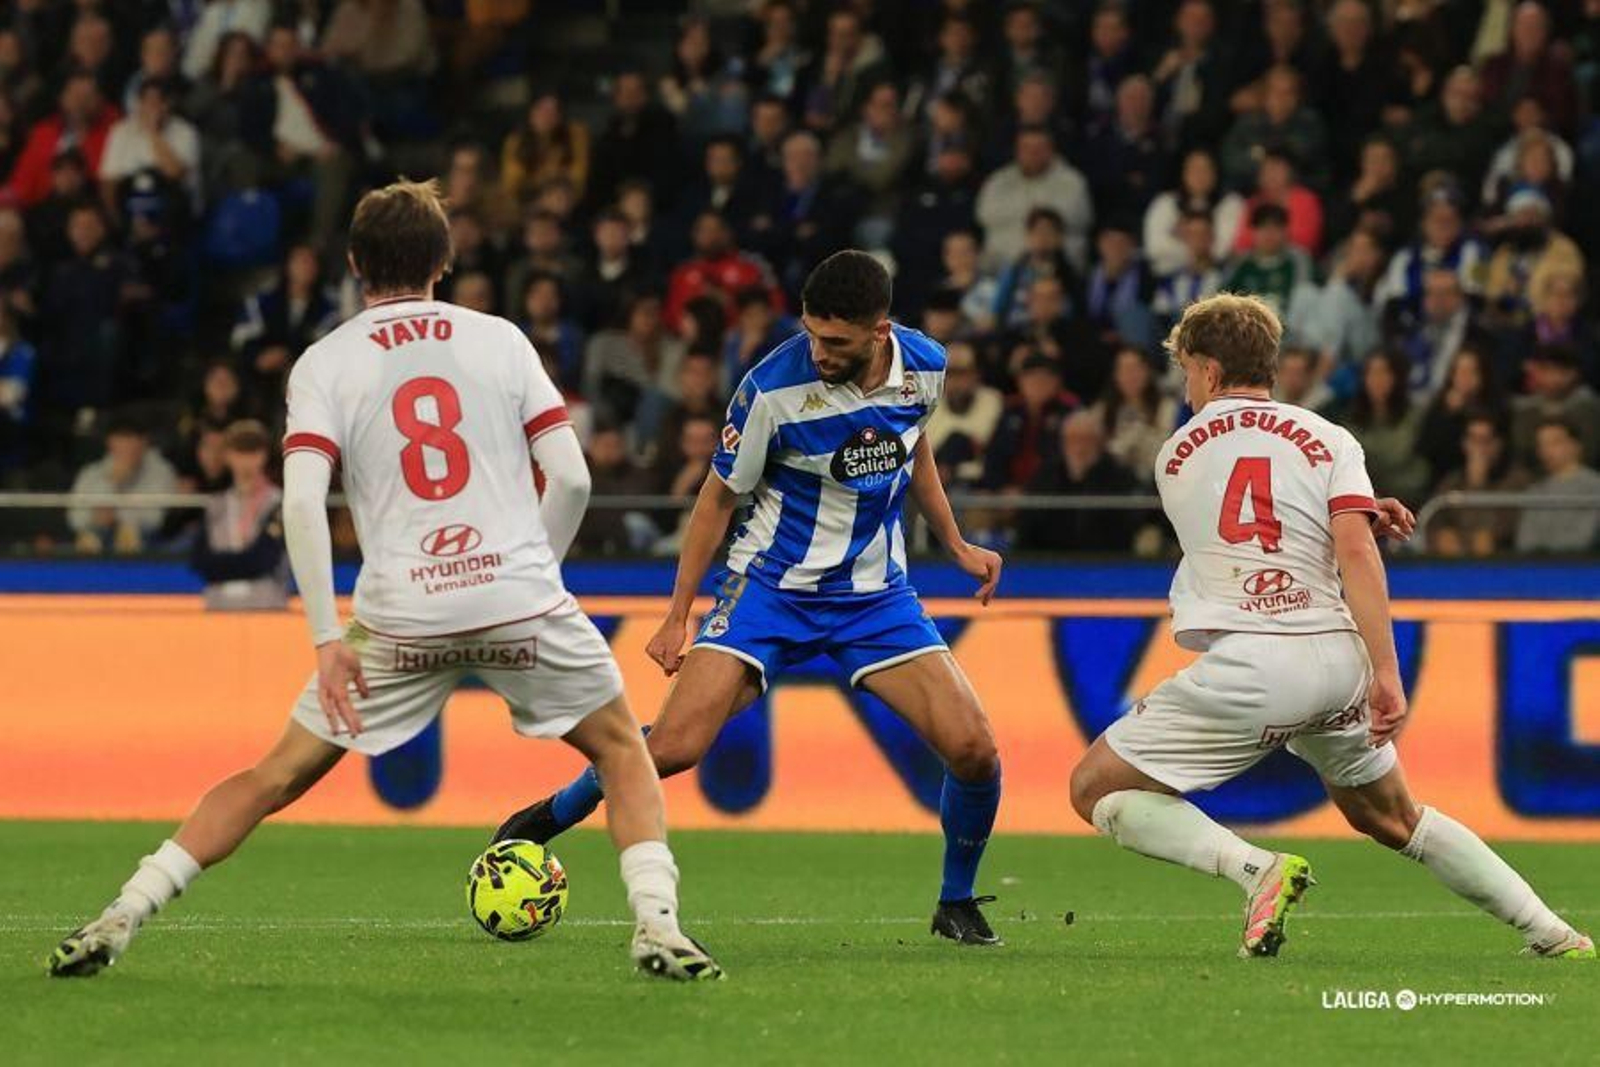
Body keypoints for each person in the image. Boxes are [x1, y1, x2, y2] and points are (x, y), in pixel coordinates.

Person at [47, 180, 721, 983]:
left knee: (271, 776)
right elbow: (571, 480)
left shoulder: (325, 362)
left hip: (398, 614)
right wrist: (529, 573)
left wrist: (329, 636)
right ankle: (657, 926)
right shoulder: (501, 339)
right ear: (445, 258)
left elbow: (301, 502)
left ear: (355, 263)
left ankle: (123, 911)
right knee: (620, 748)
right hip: (518, 595)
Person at [494, 251, 1009, 946]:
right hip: (770, 590)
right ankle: (548, 816)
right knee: (675, 745)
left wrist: (955, 542)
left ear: (880, 329)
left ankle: (956, 901)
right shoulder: (771, 388)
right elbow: (715, 500)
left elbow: (915, 448)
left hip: (874, 597)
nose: (818, 352)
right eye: (811, 334)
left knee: (975, 749)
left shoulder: (926, 366)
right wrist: (678, 613)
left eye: (837, 342)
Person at [1069, 293, 1593, 961]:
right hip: (1338, 659)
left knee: (1096, 787)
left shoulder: (1175, 453)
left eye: (1185, 371)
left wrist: (1348, 519)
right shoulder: (1329, 437)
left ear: (1204, 367)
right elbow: (1346, 546)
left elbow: (1246, 512)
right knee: (1395, 816)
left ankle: (1255, 870)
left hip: (1255, 663)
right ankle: (1553, 932)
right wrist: (1385, 668)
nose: (1186, 384)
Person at [190, 420, 288, 612]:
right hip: (218, 605)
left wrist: (220, 566)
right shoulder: (216, 505)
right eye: (239, 452)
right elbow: (200, 560)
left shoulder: (279, 503)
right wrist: (231, 564)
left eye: (253, 453)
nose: (246, 461)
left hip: (266, 605)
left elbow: (264, 559)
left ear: (264, 456)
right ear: (227, 455)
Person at [66, 416, 179, 554]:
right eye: (120, 439)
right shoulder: (90, 473)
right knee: (90, 537)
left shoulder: (162, 471)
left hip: (146, 540)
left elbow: (155, 519)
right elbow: (75, 519)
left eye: (132, 439)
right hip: (99, 534)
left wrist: (119, 519)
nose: (126, 446)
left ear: (144, 442)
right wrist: (112, 483)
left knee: (129, 536)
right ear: (109, 442)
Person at [1515, 417, 1600, 554]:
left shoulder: (1595, 487)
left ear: (1576, 446)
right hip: (1538, 568)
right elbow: (1525, 542)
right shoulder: (1535, 491)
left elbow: (1582, 540)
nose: (1546, 450)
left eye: (1554, 443)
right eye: (1541, 444)